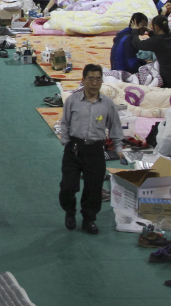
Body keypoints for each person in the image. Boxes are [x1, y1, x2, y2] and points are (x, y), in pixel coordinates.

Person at [58, 63, 124, 235]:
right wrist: (66, 143)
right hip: (74, 149)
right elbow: (64, 123)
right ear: (83, 80)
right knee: (67, 187)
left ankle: (89, 219)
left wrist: (119, 148)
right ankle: (70, 213)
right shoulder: (73, 100)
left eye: (98, 79)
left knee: (94, 189)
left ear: (102, 81)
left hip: (95, 150)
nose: (94, 83)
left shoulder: (107, 104)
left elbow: (115, 127)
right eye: (91, 79)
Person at [130, 15, 171, 88]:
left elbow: (138, 44)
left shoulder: (157, 41)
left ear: (156, 27)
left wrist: (134, 31)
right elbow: (159, 39)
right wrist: (150, 31)